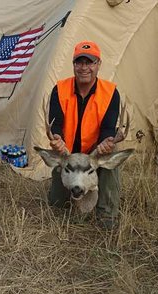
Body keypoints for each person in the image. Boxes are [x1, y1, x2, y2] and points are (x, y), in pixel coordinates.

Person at [48, 41, 120, 229]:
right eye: (79, 62)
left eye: (90, 62)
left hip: (94, 153)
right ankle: (67, 202)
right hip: (69, 153)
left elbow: (108, 128)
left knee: (112, 153)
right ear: (73, 65)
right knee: (56, 204)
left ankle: (106, 215)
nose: (84, 68)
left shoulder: (110, 92)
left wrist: (106, 142)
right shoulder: (59, 89)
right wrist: (57, 139)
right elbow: (55, 123)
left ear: (98, 65)